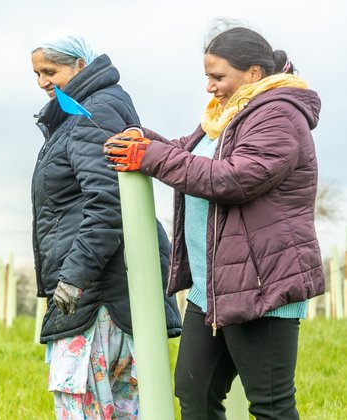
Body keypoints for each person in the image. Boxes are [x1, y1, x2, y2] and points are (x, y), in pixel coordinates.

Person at [105, 25, 323, 419]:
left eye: (218, 76)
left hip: (261, 286)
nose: (210, 87)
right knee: (194, 394)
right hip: (213, 290)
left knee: (271, 405)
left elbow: (233, 178)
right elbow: (190, 157)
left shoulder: (279, 116)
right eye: (207, 76)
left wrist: (151, 156)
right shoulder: (229, 115)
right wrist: (143, 140)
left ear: (253, 73)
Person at [29, 30, 181, 419]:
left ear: (80, 65)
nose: (43, 82)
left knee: (85, 408)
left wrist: (74, 277)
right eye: (37, 74)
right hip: (108, 290)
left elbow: (108, 201)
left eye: (50, 70)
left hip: (98, 296)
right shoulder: (86, 110)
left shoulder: (91, 112)